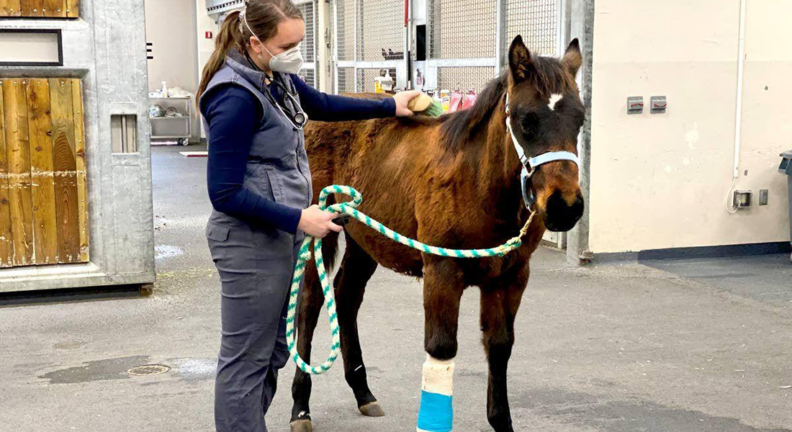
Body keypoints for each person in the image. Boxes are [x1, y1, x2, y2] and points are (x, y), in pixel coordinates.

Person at [196, 1, 420, 431]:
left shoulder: (272, 76)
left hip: (278, 236)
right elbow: (223, 192)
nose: (296, 52)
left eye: (300, 42)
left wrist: (391, 106)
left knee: (276, 350)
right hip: (249, 243)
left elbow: (319, 103)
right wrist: (300, 220)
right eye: (289, 44)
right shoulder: (234, 96)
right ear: (255, 42)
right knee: (247, 360)